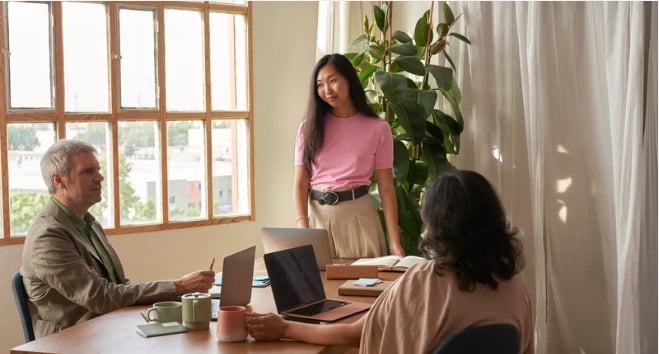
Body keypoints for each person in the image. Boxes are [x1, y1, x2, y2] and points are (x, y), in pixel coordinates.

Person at [247, 170, 534, 354]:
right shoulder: (515, 282)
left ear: (437, 223)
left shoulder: (423, 282)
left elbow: (353, 335)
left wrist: (285, 327)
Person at [21, 140, 215, 338]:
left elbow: (118, 285)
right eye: (88, 172)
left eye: (98, 169)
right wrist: (177, 287)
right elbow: (100, 297)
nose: (100, 177)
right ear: (59, 181)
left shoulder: (89, 223)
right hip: (72, 341)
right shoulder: (47, 237)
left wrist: (177, 292)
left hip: (108, 329)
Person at [294, 53, 404, 258]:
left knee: (365, 288)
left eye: (333, 80)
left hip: (359, 218)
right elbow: (300, 184)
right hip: (317, 221)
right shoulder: (307, 129)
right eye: (319, 84)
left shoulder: (378, 129)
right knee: (319, 289)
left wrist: (395, 241)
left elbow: (386, 188)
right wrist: (303, 227)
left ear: (349, 79)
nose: (327, 90)